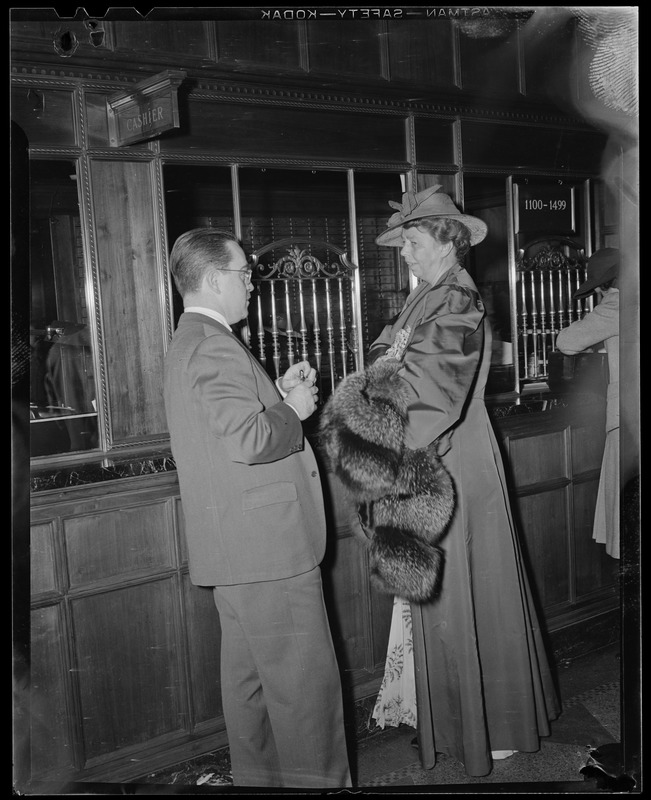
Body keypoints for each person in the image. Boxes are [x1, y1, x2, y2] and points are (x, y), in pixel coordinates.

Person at [365, 186, 560, 777]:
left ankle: (491, 726)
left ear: (446, 241)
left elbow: (430, 397)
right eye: (402, 244)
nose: (405, 253)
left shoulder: (456, 300)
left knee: (468, 593)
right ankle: (465, 720)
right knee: (454, 596)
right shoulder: (424, 297)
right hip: (434, 459)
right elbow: (384, 359)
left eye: (413, 242)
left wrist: (370, 424)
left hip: (450, 464)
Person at [162, 228, 351, 789]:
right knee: (306, 699)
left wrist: (279, 396)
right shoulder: (215, 342)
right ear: (217, 278)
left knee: (251, 700)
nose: (251, 283)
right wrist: (293, 408)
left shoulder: (192, 338)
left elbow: (231, 426)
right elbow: (248, 440)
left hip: (237, 552)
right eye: (245, 273)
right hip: (270, 550)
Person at [556, 248, 620, 558]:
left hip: (628, 420)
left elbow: (566, 342)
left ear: (605, 285)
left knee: (623, 515)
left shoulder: (617, 303)